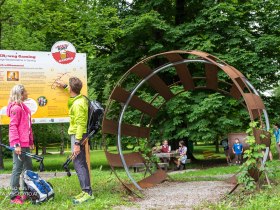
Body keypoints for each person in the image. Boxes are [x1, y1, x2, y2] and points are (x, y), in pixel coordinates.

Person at [56, 77, 94, 204]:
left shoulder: (78, 104)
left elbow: (80, 124)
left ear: (72, 88)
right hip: (78, 134)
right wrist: (65, 86)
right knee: (79, 162)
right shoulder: (80, 98)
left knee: (79, 163)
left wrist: (77, 143)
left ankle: (87, 193)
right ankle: (85, 191)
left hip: (78, 135)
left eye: (69, 87)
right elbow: (73, 94)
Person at [7, 84, 34, 204]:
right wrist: (16, 144)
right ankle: (14, 196)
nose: (27, 93)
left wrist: (31, 141)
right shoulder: (16, 109)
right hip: (19, 144)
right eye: (26, 91)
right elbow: (13, 127)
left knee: (28, 169)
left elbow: (27, 127)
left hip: (26, 143)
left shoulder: (23, 107)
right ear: (21, 94)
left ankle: (27, 193)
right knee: (17, 169)